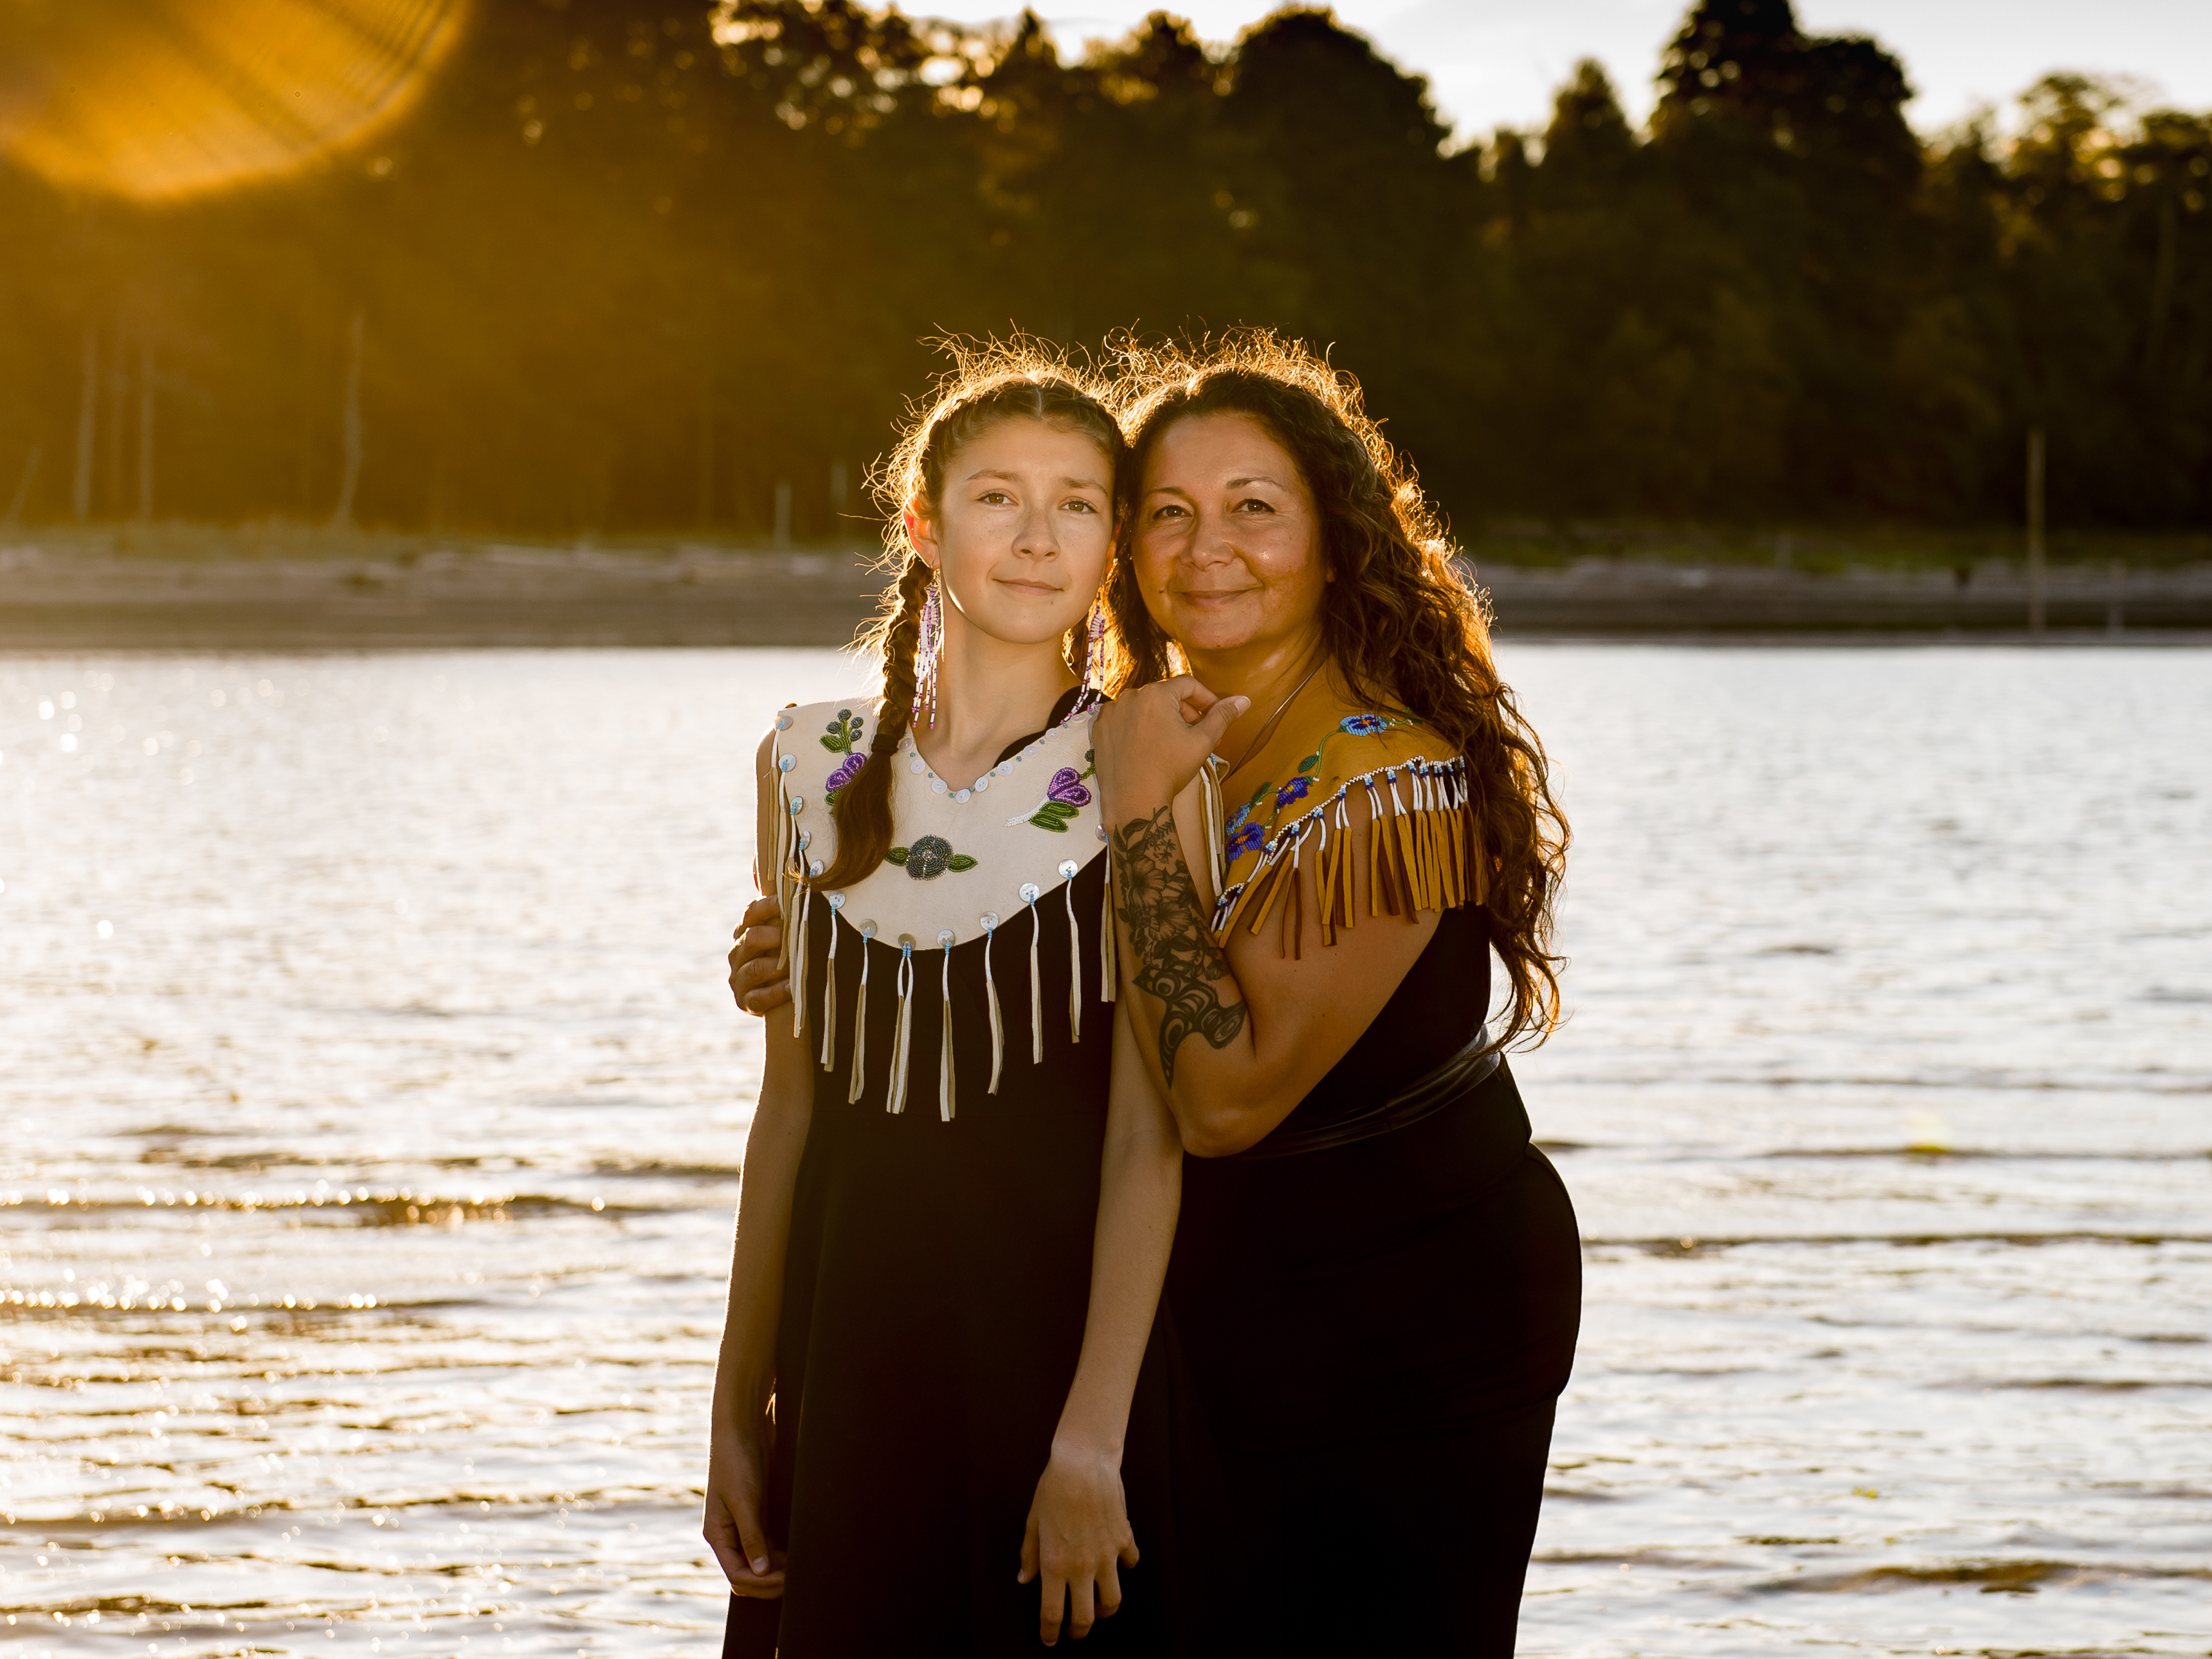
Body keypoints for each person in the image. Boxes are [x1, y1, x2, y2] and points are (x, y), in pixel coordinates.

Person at [1087, 333, 1582, 1654]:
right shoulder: (1144, 731)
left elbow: (1220, 1099)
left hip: (1413, 1314)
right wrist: (807, 962)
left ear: (1331, 539)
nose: (1208, 548)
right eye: (1168, 515)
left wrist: (1135, 821)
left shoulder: (1383, 781)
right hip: (1223, 1303)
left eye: (1255, 509)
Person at [704, 349, 1195, 1656]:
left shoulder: (1149, 763)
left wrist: (1091, 1445)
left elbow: (1147, 1142)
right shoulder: (805, 763)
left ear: (1111, 544)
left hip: (1056, 1377)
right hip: (847, 1364)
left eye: (1079, 503)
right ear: (923, 525)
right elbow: (788, 1116)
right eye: (997, 497)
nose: (1037, 537)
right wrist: (733, 1419)